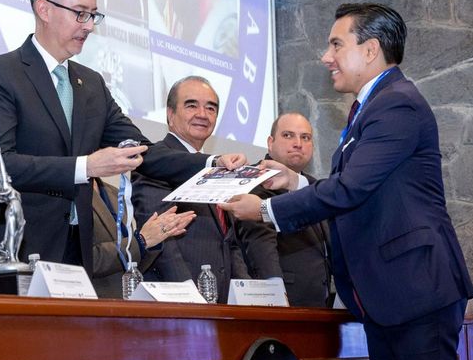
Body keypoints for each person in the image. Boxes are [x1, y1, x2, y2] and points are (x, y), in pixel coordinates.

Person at [220, 3, 473, 360]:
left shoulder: (397, 104)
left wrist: (264, 209)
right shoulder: (374, 106)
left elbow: (350, 189)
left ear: (370, 49)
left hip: (416, 288)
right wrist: (295, 182)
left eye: (336, 44)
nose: (326, 57)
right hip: (391, 295)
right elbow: (357, 187)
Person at [0, 0, 244, 291]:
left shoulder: (91, 84)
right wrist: (87, 166)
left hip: (75, 256)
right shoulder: (0, 74)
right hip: (12, 252)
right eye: (81, 14)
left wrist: (211, 163)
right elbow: (0, 167)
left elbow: (143, 152)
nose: (89, 26)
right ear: (44, 9)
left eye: (94, 16)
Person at [131, 76, 249, 302]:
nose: (202, 114)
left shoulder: (216, 166)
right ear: (170, 114)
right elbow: (162, 237)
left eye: (211, 108)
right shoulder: (155, 163)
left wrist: (244, 294)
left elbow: (228, 240)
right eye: (191, 105)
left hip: (222, 303)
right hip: (179, 303)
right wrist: (190, 297)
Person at [236, 113, 331, 307]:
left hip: (322, 302)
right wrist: (275, 291)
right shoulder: (255, 180)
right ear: (270, 143)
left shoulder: (313, 186)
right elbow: (260, 241)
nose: (298, 144)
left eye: (305, 137)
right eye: (288, 135)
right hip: (283, 302)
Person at [92, 178, 195, 298]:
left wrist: (152, 241)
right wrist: (142, 240)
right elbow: (86, 260)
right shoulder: (74, 193)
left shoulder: (115, 193)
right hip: (90, 301)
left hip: (125, 301)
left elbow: (130, 262)